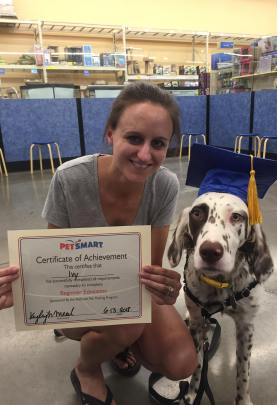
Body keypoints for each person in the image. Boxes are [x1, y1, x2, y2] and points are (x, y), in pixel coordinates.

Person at [0, 82, 197, 405]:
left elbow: (151, 267)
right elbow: (54, 263)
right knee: (128, 324)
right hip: (78, 297)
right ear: (110, 134)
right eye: (134, 138)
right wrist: (21, 288)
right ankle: (87, 369)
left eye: (158, 143)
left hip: (127, 294)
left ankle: (117, 342)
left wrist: (164, 287)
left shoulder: (164, 185)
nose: (145, 154)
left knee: (181, 362)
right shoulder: (70, 179)